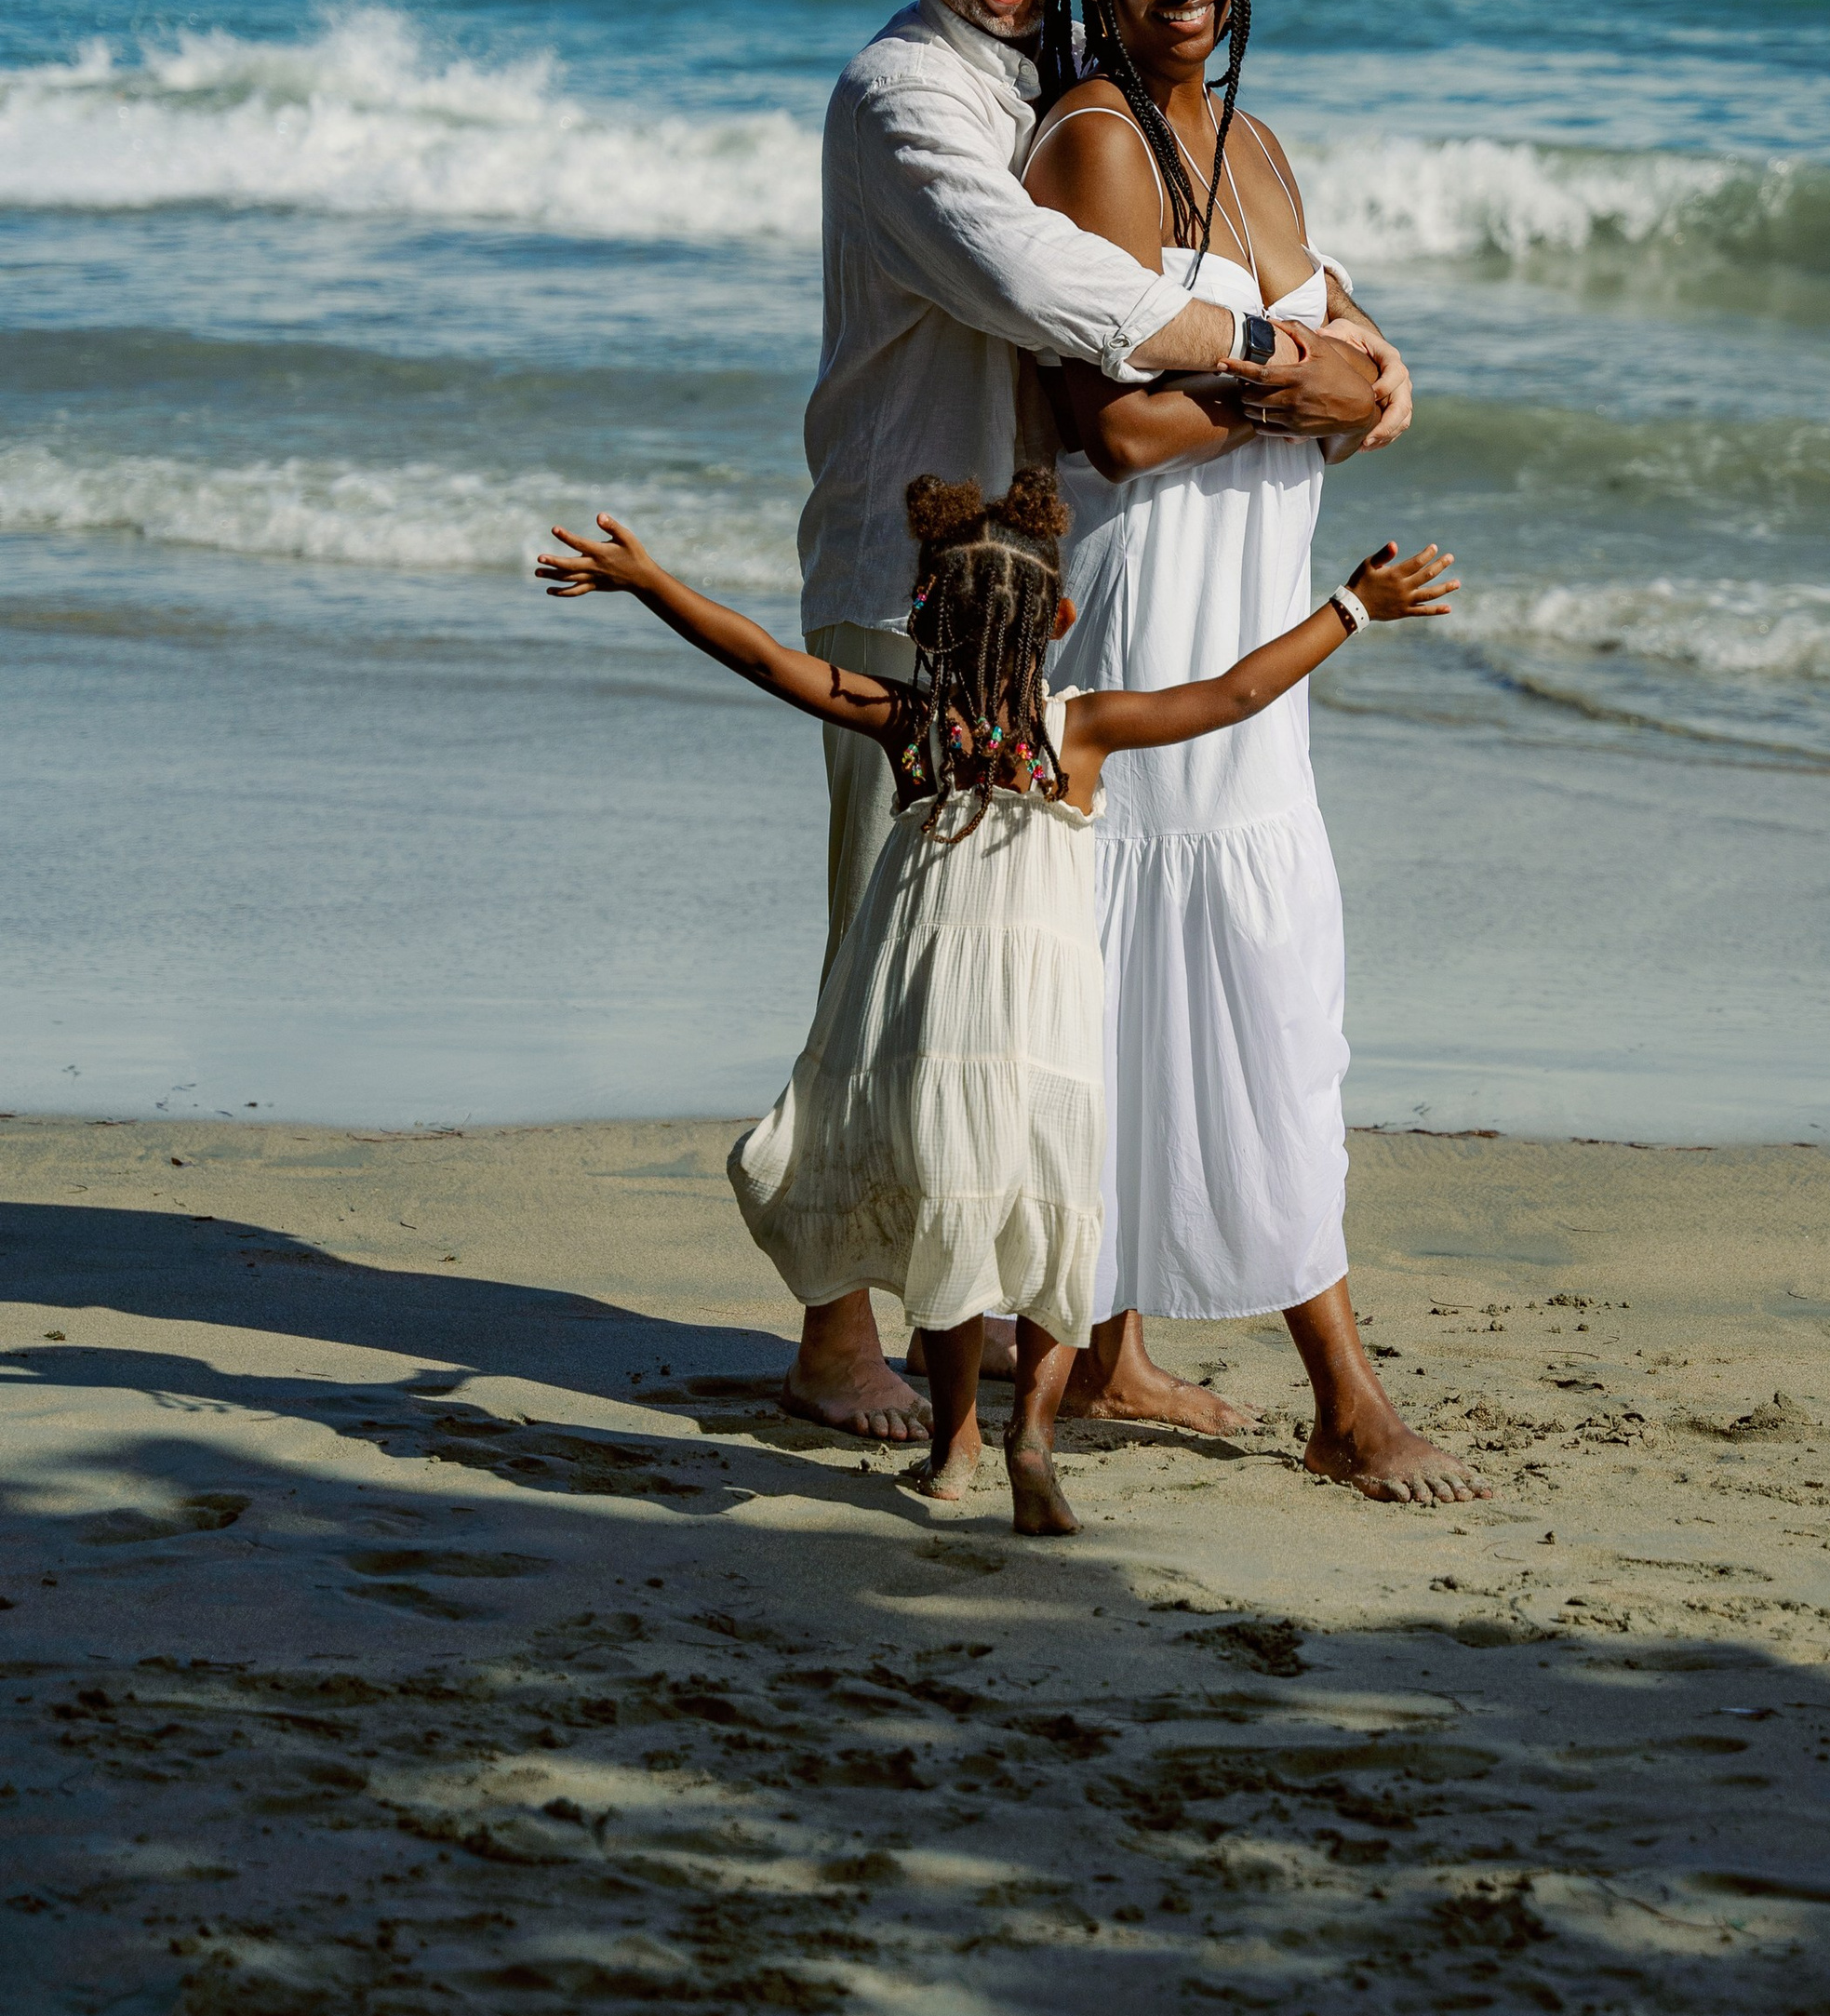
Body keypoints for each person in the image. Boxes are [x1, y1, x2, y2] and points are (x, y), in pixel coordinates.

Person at [788, 0, 1414, 1440]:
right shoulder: (907, 97)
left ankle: (1086, 1336)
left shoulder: (1064, 86)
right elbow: (1049, 295)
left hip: (1020, 585)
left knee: (1038, 963)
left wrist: (1368, 353)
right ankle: (838, 1335)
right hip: (899, 578)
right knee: (892, 965)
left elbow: (1269, 267)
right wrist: (1289, 364)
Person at [535, 473, 1458, 1535]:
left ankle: (956, 1446)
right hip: (1053, 1022)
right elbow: (1238, 695)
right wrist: (1350, 607)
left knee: (958, 1216)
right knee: (1056, 1219)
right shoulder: (1079, 733)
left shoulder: (906, 721)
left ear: (922, 612)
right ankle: (1038, 1438)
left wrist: (647, 577)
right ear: (1062, 619)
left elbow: (759, 655)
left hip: (933, 1027)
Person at [1028, 0, 1487, 1505]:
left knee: (1241, 977)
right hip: (1155, 607)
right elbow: (1117, 423)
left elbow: (1364, 376)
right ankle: (1342, 1393)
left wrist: (1332, 383)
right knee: (1175, 964)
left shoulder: (1256, 141)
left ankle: (1102, 1346)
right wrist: (1295, 384)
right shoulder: (1092, 144)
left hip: (1255, 597)